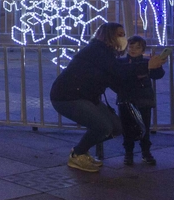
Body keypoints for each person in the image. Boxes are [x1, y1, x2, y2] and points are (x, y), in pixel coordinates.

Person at [51, 22, 166, 172]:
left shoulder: (107, 54)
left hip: (87, 96)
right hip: (68, 96)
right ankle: (77, 154)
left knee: (117, 127)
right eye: (120, 34)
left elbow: (117, 80)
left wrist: (149, 73)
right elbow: (118, 71)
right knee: (103, 126)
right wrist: (146, 66)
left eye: (124, 35)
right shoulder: (97, 50)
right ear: (109, 35)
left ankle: (82, 151)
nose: (123, 38)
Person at [122, 35, 164, 166]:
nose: (133, 49)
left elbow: (157, 75)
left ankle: (145, 151)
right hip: (127, 98)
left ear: (142, 50)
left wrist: (157, 66)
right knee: (127, 126)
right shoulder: (122, 62)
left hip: (143, 98)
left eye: (137, 47)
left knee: (144, 126)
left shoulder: (147, 62)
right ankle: (129, 152)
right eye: (131, 46)